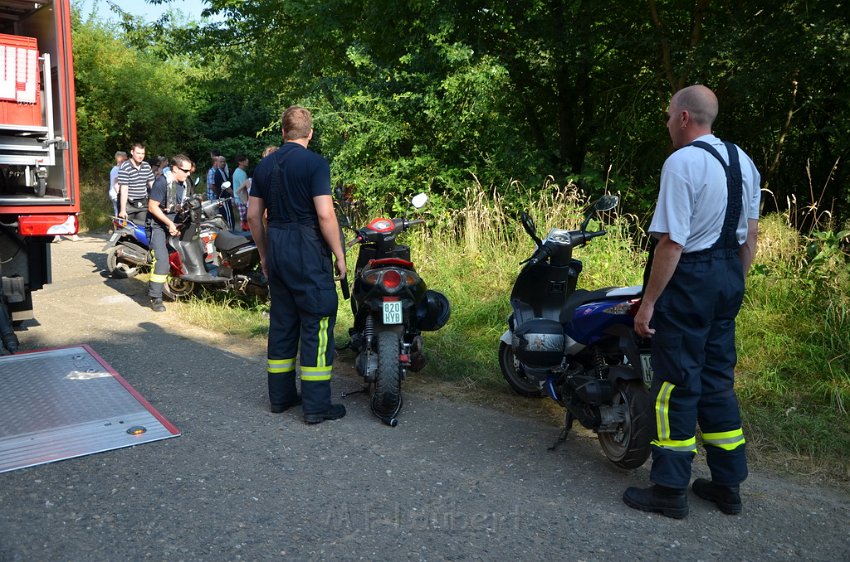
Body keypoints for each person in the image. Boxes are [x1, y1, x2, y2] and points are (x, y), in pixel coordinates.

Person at [623, 85, 760, 518]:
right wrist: (731, 283)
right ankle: (727, 487)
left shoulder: (682, 163)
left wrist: (647, 304)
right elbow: (750, 236)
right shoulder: (744, 161)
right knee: (718, 381)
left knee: (675, 385)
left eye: (668, 116)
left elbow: (672, 242)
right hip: (727, 276)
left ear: (684, 117)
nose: (666, 124)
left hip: (691, 279)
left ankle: (668, 490)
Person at [248, 105, 347, 424]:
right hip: (307, 248)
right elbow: (325, 214)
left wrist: (264, 255)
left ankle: (280, 398)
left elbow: (252, 216)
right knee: (317, 320)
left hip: (277, 245)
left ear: (283, 132)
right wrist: (340, 256)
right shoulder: (315, 164)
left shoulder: (265, 166)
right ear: (311, 133)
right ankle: (316, 406)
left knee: (283, 323)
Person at [146, 154, 193, 312]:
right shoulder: (162, 182)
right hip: (158, 226)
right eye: (185, 170)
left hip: (175, 224)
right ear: (175, 168)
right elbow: (152, 207)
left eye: (189, 170)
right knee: (162, 262)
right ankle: (156, 298)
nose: (188, 173)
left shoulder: (184, 183)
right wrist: (169, 224)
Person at [117, 143, 155, 224]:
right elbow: (124, 189)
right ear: (132, 152)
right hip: (128, 204)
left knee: (142, 229)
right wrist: (123, 210)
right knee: (125, 229)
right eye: (138, 153)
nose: (141, 156)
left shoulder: (146, 166)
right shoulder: (125, 166)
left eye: (143, 153)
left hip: (143, 203)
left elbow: (152, 184)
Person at [232, 154, 250, 231]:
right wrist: (246, 202)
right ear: (240, 162)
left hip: (238, 199)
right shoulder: (241, 173)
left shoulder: (237, 171)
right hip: (241, 200)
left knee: (243, 220)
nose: (247, 161)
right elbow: (243, 189)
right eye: (245, 160)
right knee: (244, 221)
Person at [109, 151, 128, 217]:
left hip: (113, 193)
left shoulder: (116, 169)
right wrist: (119, 193)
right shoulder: (117, 169)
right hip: (116, 194)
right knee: (119, 212)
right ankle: (119, 226)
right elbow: (116, 183)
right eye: (125, 159)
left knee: (117, 211)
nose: (126, 160)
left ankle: (117, 225)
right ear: (119, 159)